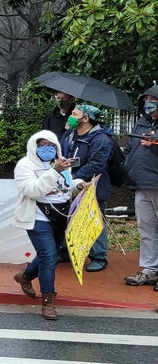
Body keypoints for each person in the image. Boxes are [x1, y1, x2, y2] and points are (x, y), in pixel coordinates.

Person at [13, 131, 78, 320]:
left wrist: (79, 185)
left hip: (60, 217)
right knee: (49, 257)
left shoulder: (61, 163)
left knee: (50, 254)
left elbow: (65, 186)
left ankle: (25, 276)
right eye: (41, 144)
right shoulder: (25, 165)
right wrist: (54, 171)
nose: (47, 148)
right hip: (37, 217)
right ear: (34, 145)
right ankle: (48, 302)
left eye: (51, 144)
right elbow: (32, 190)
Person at [60, 103, 114, 272]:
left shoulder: (101, 139)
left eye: (75, 114)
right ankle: (69, 252)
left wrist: (73, 178)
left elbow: (96, 164)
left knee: (93, 219)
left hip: (93, 186)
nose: (71, 116)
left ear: (85, 118)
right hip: (70, 184)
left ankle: (99, 256)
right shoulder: (70, 134)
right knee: (69, 219)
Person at [124, 89, 158, 287]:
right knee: (146, 228)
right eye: (147, 99)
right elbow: (131, 148)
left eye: (153, 99)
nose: (149, 102)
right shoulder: (141, 122)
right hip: (140, 183)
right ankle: (149, 270)